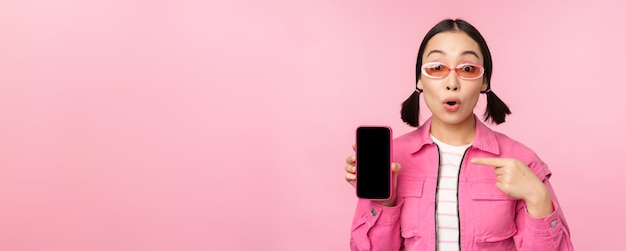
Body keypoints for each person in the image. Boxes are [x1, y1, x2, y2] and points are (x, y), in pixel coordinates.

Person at [343, 19, 573, 250]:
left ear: (484, 81)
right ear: (420, 80)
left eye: (467, 69)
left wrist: (539, 200)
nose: (452, 83)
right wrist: (384, 202)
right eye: (436, 68)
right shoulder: (391, 160)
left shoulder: (522, 160)